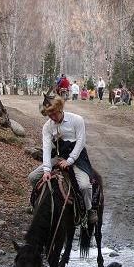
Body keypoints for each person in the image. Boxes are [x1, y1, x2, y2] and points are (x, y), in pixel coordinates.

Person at [28, 96, 97, 225]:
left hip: (77, 158)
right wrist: (47, 170)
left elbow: (81, 142)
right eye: (49, 115)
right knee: (32, 177)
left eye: (54, 113)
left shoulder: (77, 120)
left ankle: (89, 210)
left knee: (84, 186)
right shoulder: (47, 127)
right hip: (58, 157)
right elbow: (47, 147)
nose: (53, 117)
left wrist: (70, 160)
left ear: (60, 108)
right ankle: (38, 203)